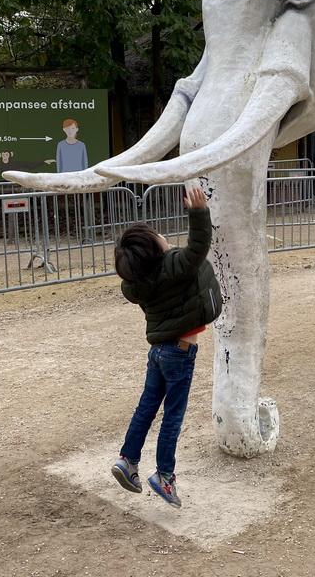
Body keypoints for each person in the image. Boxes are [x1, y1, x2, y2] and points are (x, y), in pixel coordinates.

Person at [110, 187, 222, 508]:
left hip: (158, 353)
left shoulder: (138, 283)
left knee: (147, 407)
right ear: (155, 248)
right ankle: (164, 476)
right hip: (180, 353)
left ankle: (127, 461)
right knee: (172, 414)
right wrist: (199, 212)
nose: (162, 234)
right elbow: (198, 248)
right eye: (157, 235)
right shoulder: (173, 266)